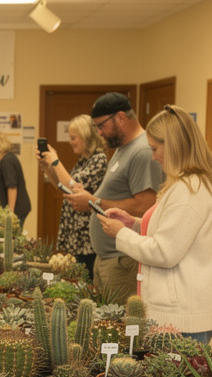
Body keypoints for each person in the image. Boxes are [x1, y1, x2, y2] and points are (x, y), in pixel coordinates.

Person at [98, 105, 212, 342]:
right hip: (181, 311)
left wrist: (121, 235)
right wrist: (134, 225)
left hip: (181, 317)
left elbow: (164, 252)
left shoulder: (190, 190)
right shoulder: (189, 183)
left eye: (155, 148)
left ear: (174, 146)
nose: (153, 156)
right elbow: (175, 232)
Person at [64, 93, 163, 298]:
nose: (99, 133)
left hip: (122, 260)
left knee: (119, 325)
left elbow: (146, 205)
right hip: (108, 257)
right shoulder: (122, 149)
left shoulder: (142, 151)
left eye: (101, 126)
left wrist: (92, 201)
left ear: (120, 117)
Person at [37, 115, 105, 278]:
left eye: (74, 138)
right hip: (75, 236)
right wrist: (47, 167)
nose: (71, 142)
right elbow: (63, 187)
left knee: (83, 281)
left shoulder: (99, 160)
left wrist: (56, 161)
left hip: (85, 240)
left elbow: (73, 188)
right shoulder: (83, 160)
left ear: (86, 136)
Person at [0, 132, 30, 224]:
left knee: (12, 236)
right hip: (15, 208)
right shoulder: (6, 159)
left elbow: (12, 187)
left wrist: (10, 213)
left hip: (16, 209)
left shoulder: (7, 161)